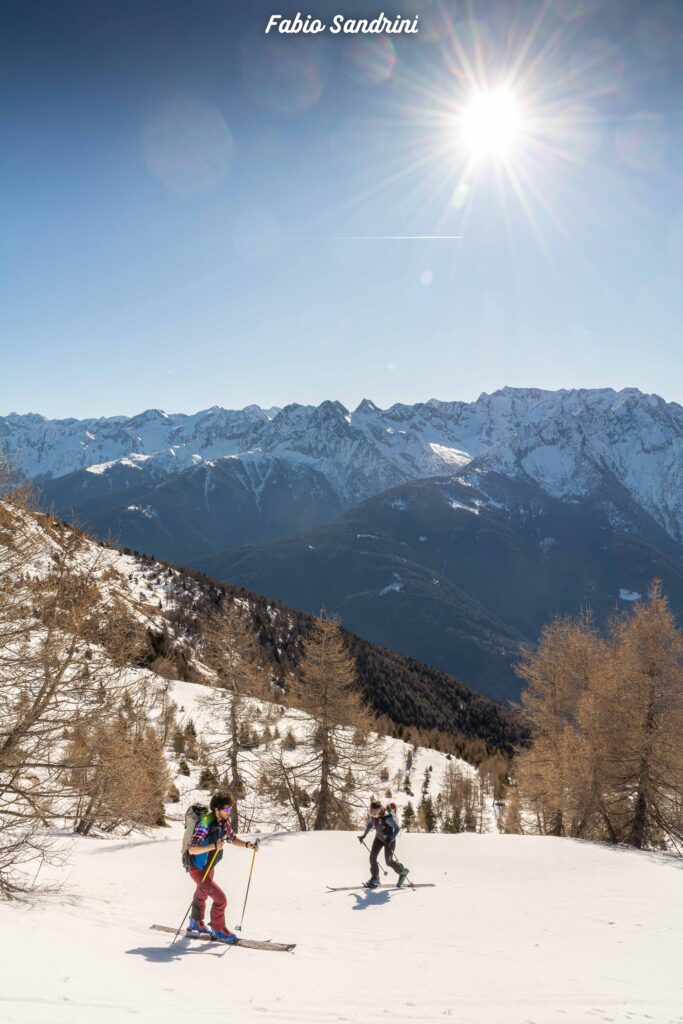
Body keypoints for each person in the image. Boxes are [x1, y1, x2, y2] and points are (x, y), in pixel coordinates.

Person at [185, 792, 258, 943]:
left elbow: (232, 838)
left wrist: (248, 845)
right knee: (221, 899)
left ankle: (195, 921)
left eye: (230, 809)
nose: (229, 812)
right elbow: (192, 849)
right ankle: (218, 929)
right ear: (217, 809)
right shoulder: (205, 823)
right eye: (227, 809)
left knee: (202, 892)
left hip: (209, 866)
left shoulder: (223, 822)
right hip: (197, 868)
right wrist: (213, 846)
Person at [358, 798, 409, 888]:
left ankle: (402, 872)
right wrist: (364, 836)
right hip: (378, 838)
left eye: (375, 812)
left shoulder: (387, 817)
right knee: (372, 858)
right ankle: (375, 878)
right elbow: (370, 824)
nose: (373, 815)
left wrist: (391, 838)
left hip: (389, 841)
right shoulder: (374, 816)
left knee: (388, 862)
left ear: (380, 810)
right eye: (371, 812)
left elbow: (397, 829)